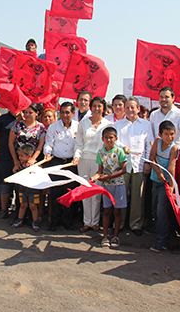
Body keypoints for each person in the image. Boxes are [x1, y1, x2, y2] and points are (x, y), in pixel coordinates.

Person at [114, 97, 153, 236]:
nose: (130, 110)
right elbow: (115, 142)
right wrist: (122, 148)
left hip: (139, 164)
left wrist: (148, 162)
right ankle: (119, 222)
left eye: (133, 107)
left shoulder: (146, 125)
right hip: (123, 164)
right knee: (120, 194)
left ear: (138, 109)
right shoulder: (118, 125)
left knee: (138, 196)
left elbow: (149, 145)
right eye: (128, 107)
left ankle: (135, 224)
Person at [74, 97, 112, 231]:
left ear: (103, 108)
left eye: (99, 106)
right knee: (85, 190)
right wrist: (77, 156)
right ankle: (86, 222)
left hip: (99, 162)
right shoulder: (83, 123)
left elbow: (111, 143)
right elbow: (78, 143)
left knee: (95, 192)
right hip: (84, 160)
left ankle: (95, 222)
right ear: (91, 107)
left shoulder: (108, 124)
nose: (97, 109)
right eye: (94, 106)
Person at [43, 102, 79, 230]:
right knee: (55, 193)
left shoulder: (78, 127)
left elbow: (79, 145)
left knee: (69, 193)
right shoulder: (53, 127)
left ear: (73, 113)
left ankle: (68, 221)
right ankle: (54, 221)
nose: (65, 115)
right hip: (56, 163)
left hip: (71, 163)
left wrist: (77, 156)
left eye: (67, 112)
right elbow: (48, 143)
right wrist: (47, 153)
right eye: (62, 112)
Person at [91, 127, 127, 248]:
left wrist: (108, 176)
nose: (109, 140)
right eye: (106, 137)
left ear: (116, 138)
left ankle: (115, 236)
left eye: (111, 137)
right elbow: (100, 170)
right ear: (102, 139)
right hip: (107, 186)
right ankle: (105, 236)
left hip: (119, 185)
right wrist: (95, 177)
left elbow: (124, 169)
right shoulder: (100, 153)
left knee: (117, 211)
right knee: (106, 211)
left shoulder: (119, 151)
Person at [149, 120, 179, 252]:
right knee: (155, 210)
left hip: (165, 184)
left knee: (162, 213)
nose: (169, 137)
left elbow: (172, 167)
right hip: (155, 180)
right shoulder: (157, 142)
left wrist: (171, 185)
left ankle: (161, 243)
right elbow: (151, 158)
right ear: (160, 134)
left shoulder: (174, 148)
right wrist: (158, 172)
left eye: (172, 134)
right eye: (166, 134)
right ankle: (160, 238)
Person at [11, 144, 42, 231]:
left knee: (33, 206)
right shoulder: (20, 166)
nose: (19, 158)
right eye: (19, 156)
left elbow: (40, 176)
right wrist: (14, 171)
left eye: (21, 156)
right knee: (23, 205)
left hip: (33, 189)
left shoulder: (36, 165)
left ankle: (35, 222)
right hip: (22, 189)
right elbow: (16, 174)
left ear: (29, 156)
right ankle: (19, 219)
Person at [9, 104, 45, 172]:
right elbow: (10, 143)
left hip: (32, 161)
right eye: (25, 112)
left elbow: (40, 145)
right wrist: (15, 160)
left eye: (30, 112)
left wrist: (33, 159)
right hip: (18, 160)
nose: (27, 114)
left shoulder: (41, 127)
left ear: (36, 113)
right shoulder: (17, 125)